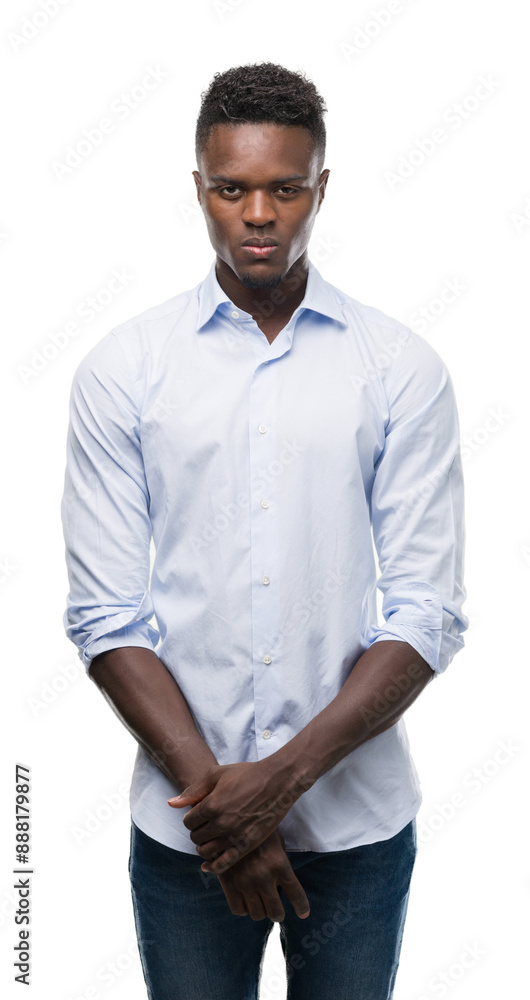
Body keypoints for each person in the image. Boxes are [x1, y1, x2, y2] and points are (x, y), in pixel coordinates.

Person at [60, 61, 468, 1000]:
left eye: (285, 189)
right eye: (232, 188)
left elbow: (426, 611)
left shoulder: (399, 368)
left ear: (320, 188)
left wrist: (277, 785)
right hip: (184, 834)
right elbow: (106, 618)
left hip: (357, 834)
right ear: (198, 189)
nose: (257, 213)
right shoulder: (124, 371)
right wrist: (226, 816)